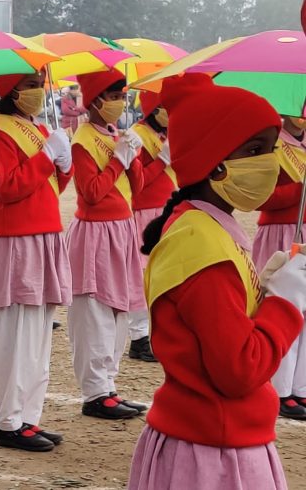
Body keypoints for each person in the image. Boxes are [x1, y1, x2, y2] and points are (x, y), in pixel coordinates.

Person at [129, 73, 306, 490]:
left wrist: (262, 287)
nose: (269, 163)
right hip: (214, 448)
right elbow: (239, 370)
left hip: (213, 435)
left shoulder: (205, 227)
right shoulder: (201, 244)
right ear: (216, 161)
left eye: (271, 149)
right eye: (254, 151)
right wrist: (283, 304)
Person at [0, 71, 73, 452]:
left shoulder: (33, 127)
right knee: (18, 332)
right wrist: (48, 156)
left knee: (38, 333)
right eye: (30, 85)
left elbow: (49, 186)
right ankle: (9, 421)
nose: (37, 91)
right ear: (12, 92)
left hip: (43, 233)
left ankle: (28, 417)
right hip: (18, 237)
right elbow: (8, 187)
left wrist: (63, 164)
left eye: (39, 83)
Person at [67, 68, 148, 419]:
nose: (119, 102)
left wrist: (134, 158)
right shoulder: (83, 139)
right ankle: (95, 391)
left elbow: (139, 189)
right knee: (95, 312)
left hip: (121, 227)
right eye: (113, 95)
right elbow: (92, 192)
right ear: (96, 100)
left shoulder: (116, 132)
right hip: (96, 231)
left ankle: (109, 384)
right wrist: (118, 160)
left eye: (121, 95)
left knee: (119, 310)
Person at [253, 114, 306, 419]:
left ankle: (301, 387)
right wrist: (298, 191)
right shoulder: (270, 143)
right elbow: (259, 197)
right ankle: (279, 389)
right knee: (282, 312)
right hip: (281, 232)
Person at [126, 91, 176, 362]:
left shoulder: (165, 134)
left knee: (162, 275)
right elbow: (139, 182)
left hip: (165, 210)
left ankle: (156, 332)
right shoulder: (138, 135)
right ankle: (139, 336)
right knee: (141, 276)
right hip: (145, 212)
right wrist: (162, 160)